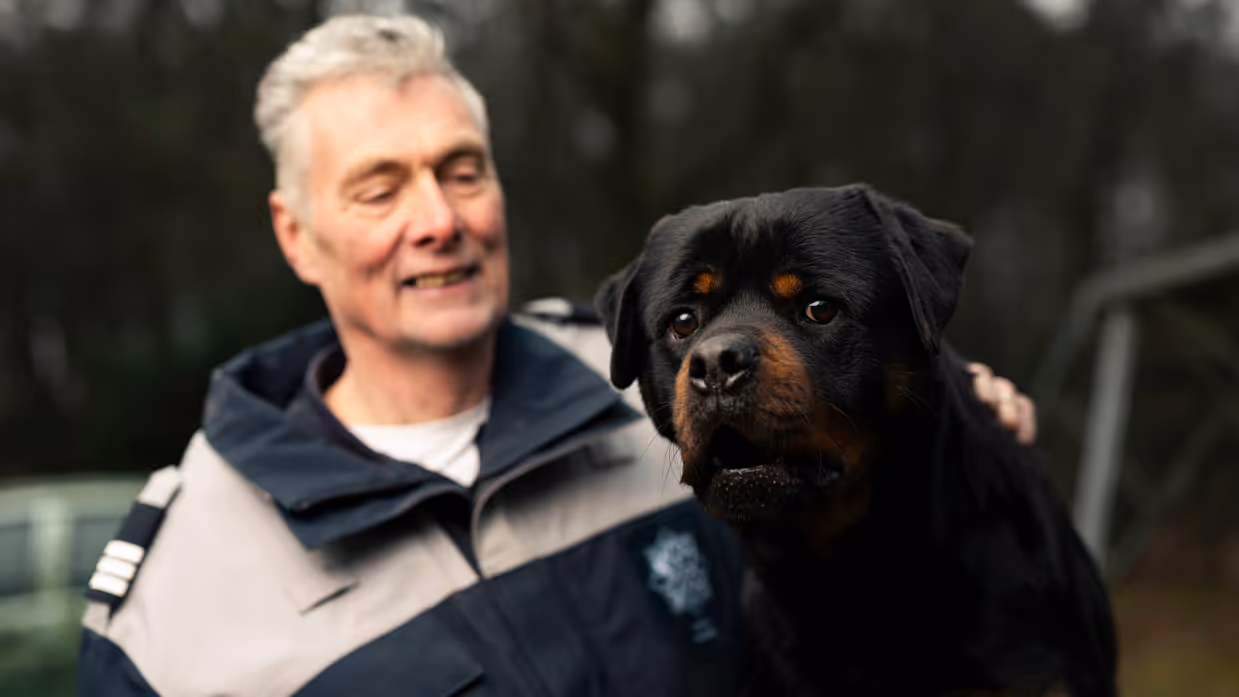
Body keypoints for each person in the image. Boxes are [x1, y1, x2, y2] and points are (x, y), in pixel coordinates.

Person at [76, 14, 1037, 696]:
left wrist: (958, 411)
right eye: (379, 189)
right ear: (295, 235)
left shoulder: (656, 390)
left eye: (462, 170)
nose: (439, 221)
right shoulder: (173, 600)